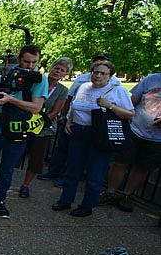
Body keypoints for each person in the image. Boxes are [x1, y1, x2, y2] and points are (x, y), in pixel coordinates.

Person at [51, 60, 134, 217]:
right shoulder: (84, 87)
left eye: (103, 73)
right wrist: (70, 121)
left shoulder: (118, 91)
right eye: (95, 72)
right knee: (72, 169)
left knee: (95, 173)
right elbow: (75, 105)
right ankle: (65, 200)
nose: (98, 76)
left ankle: (87, 205)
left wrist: (110, 106)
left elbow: (130, 114)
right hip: (79, 132)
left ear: (110, 76)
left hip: (100, 136)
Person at [0, 44, 49, 218]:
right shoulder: (7, 73)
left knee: (7, 170)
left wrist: (11, 100)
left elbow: (36, 107)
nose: (30, 65)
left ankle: (0, 200)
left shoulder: (39, 79)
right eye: (26, 61)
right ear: (18, 59)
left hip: (17, 131)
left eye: (34, 62)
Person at [38, 52, 119, 184]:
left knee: (76, 154)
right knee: (62, 147)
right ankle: (54, 171)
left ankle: (66, 177)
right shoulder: (82, 78)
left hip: (93, 124)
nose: (98, 71)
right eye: (96, 61)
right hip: (72, 118)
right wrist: (64, 116)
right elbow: (70, 97)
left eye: (103, 63)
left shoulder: (114, 83)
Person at [100, 73, 161, 212]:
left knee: (142, 168)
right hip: (134, 129)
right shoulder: (152, 79)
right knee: (120, 163)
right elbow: (131, 102)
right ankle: (110, 193)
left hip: (157, 138)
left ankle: (126, 196)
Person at [18, 58, 71, 198]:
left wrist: (39, 119)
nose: (57, 72)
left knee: (36, 158)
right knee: (16, 153)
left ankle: (25, 185)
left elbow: (55, 112)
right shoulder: (38, 80)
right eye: (56, 68)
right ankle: (2, 180)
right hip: (25, 123)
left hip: (44, 127)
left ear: (65, 74)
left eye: (62, 70)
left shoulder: (62, 90)